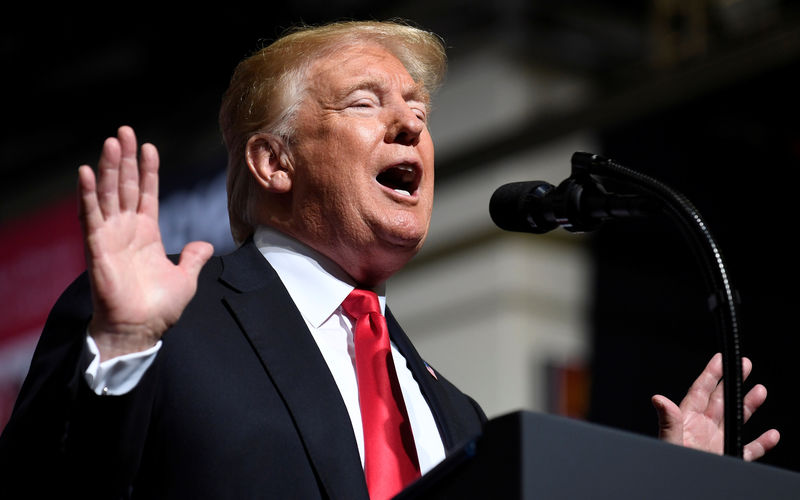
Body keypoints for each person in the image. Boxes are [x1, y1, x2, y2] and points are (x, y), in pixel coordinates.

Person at [0, 20, 779, 499]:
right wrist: (127, 349)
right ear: (274, 162)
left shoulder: (453, 415)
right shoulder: (165, 321)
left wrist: (668, 488)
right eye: (368, 102)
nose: (410, 126)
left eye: (419, 111)